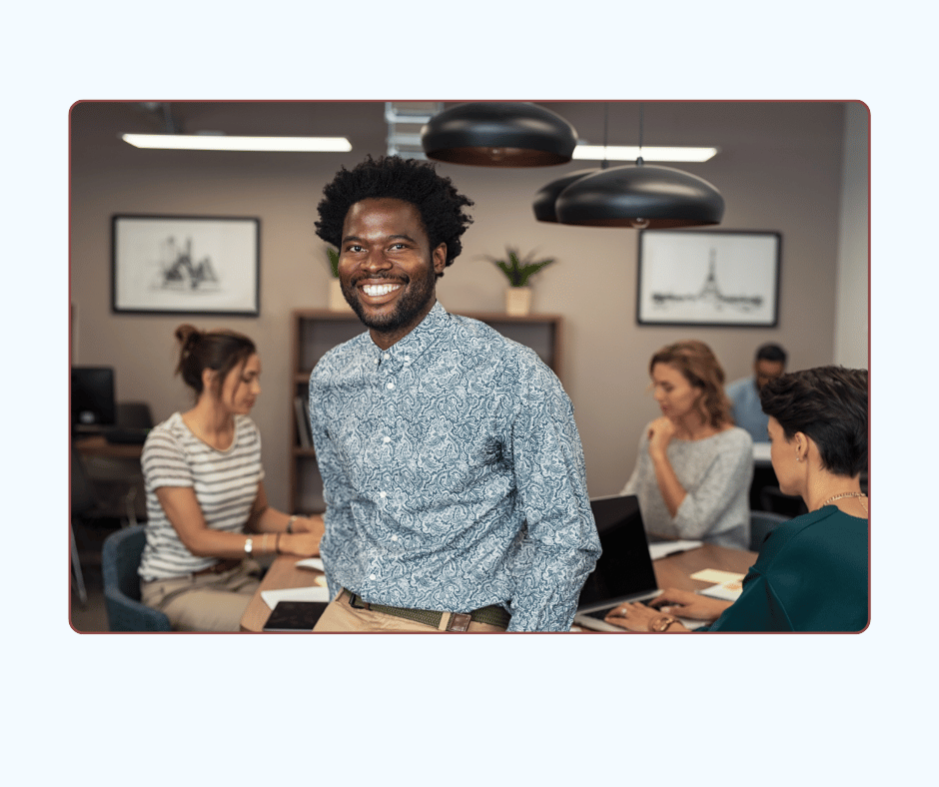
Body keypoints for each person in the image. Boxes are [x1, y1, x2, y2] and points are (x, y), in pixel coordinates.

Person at [308, 155, 600, 632]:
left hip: (457, 626)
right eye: (356, 247)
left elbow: (566, 537)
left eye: (398, 245)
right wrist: (336, 605)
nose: (374, 263)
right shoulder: (330, 376)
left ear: (438, 256)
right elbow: (341, 511)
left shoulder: (511, 373)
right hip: (344, 615)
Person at [605, 365, 868, 632]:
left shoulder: (795, 542)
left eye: (772, 438)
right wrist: (727, 609)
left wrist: (657, 623)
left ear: (800, 446)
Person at [139, 325, 324, 631]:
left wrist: (301, 524)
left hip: (236, 577)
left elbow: (258, 515)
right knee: (287, 626)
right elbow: (196, 539)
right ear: (211, 379)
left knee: (320, 613)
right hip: (180, 587)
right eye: (247, 378)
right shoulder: (167, 443)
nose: (257, 389)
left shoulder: (247, 433)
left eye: (257, 378)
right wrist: (285, 542)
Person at [620, 340, 752, 550]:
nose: (657, 396)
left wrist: (659, 455)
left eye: (668, 387)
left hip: (714, 560)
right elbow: (633, 495)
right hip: (657, 551)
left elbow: (692, 527)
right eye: (656, 385)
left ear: (700, 388)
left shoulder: (734, 444)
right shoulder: (655, 432)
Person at [726, 342, 787, 443]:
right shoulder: (732, 394)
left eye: (775, 377)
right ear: (755, 366)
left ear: (782, 371)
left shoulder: (792, 397)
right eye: (763, 375)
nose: (768, 382)